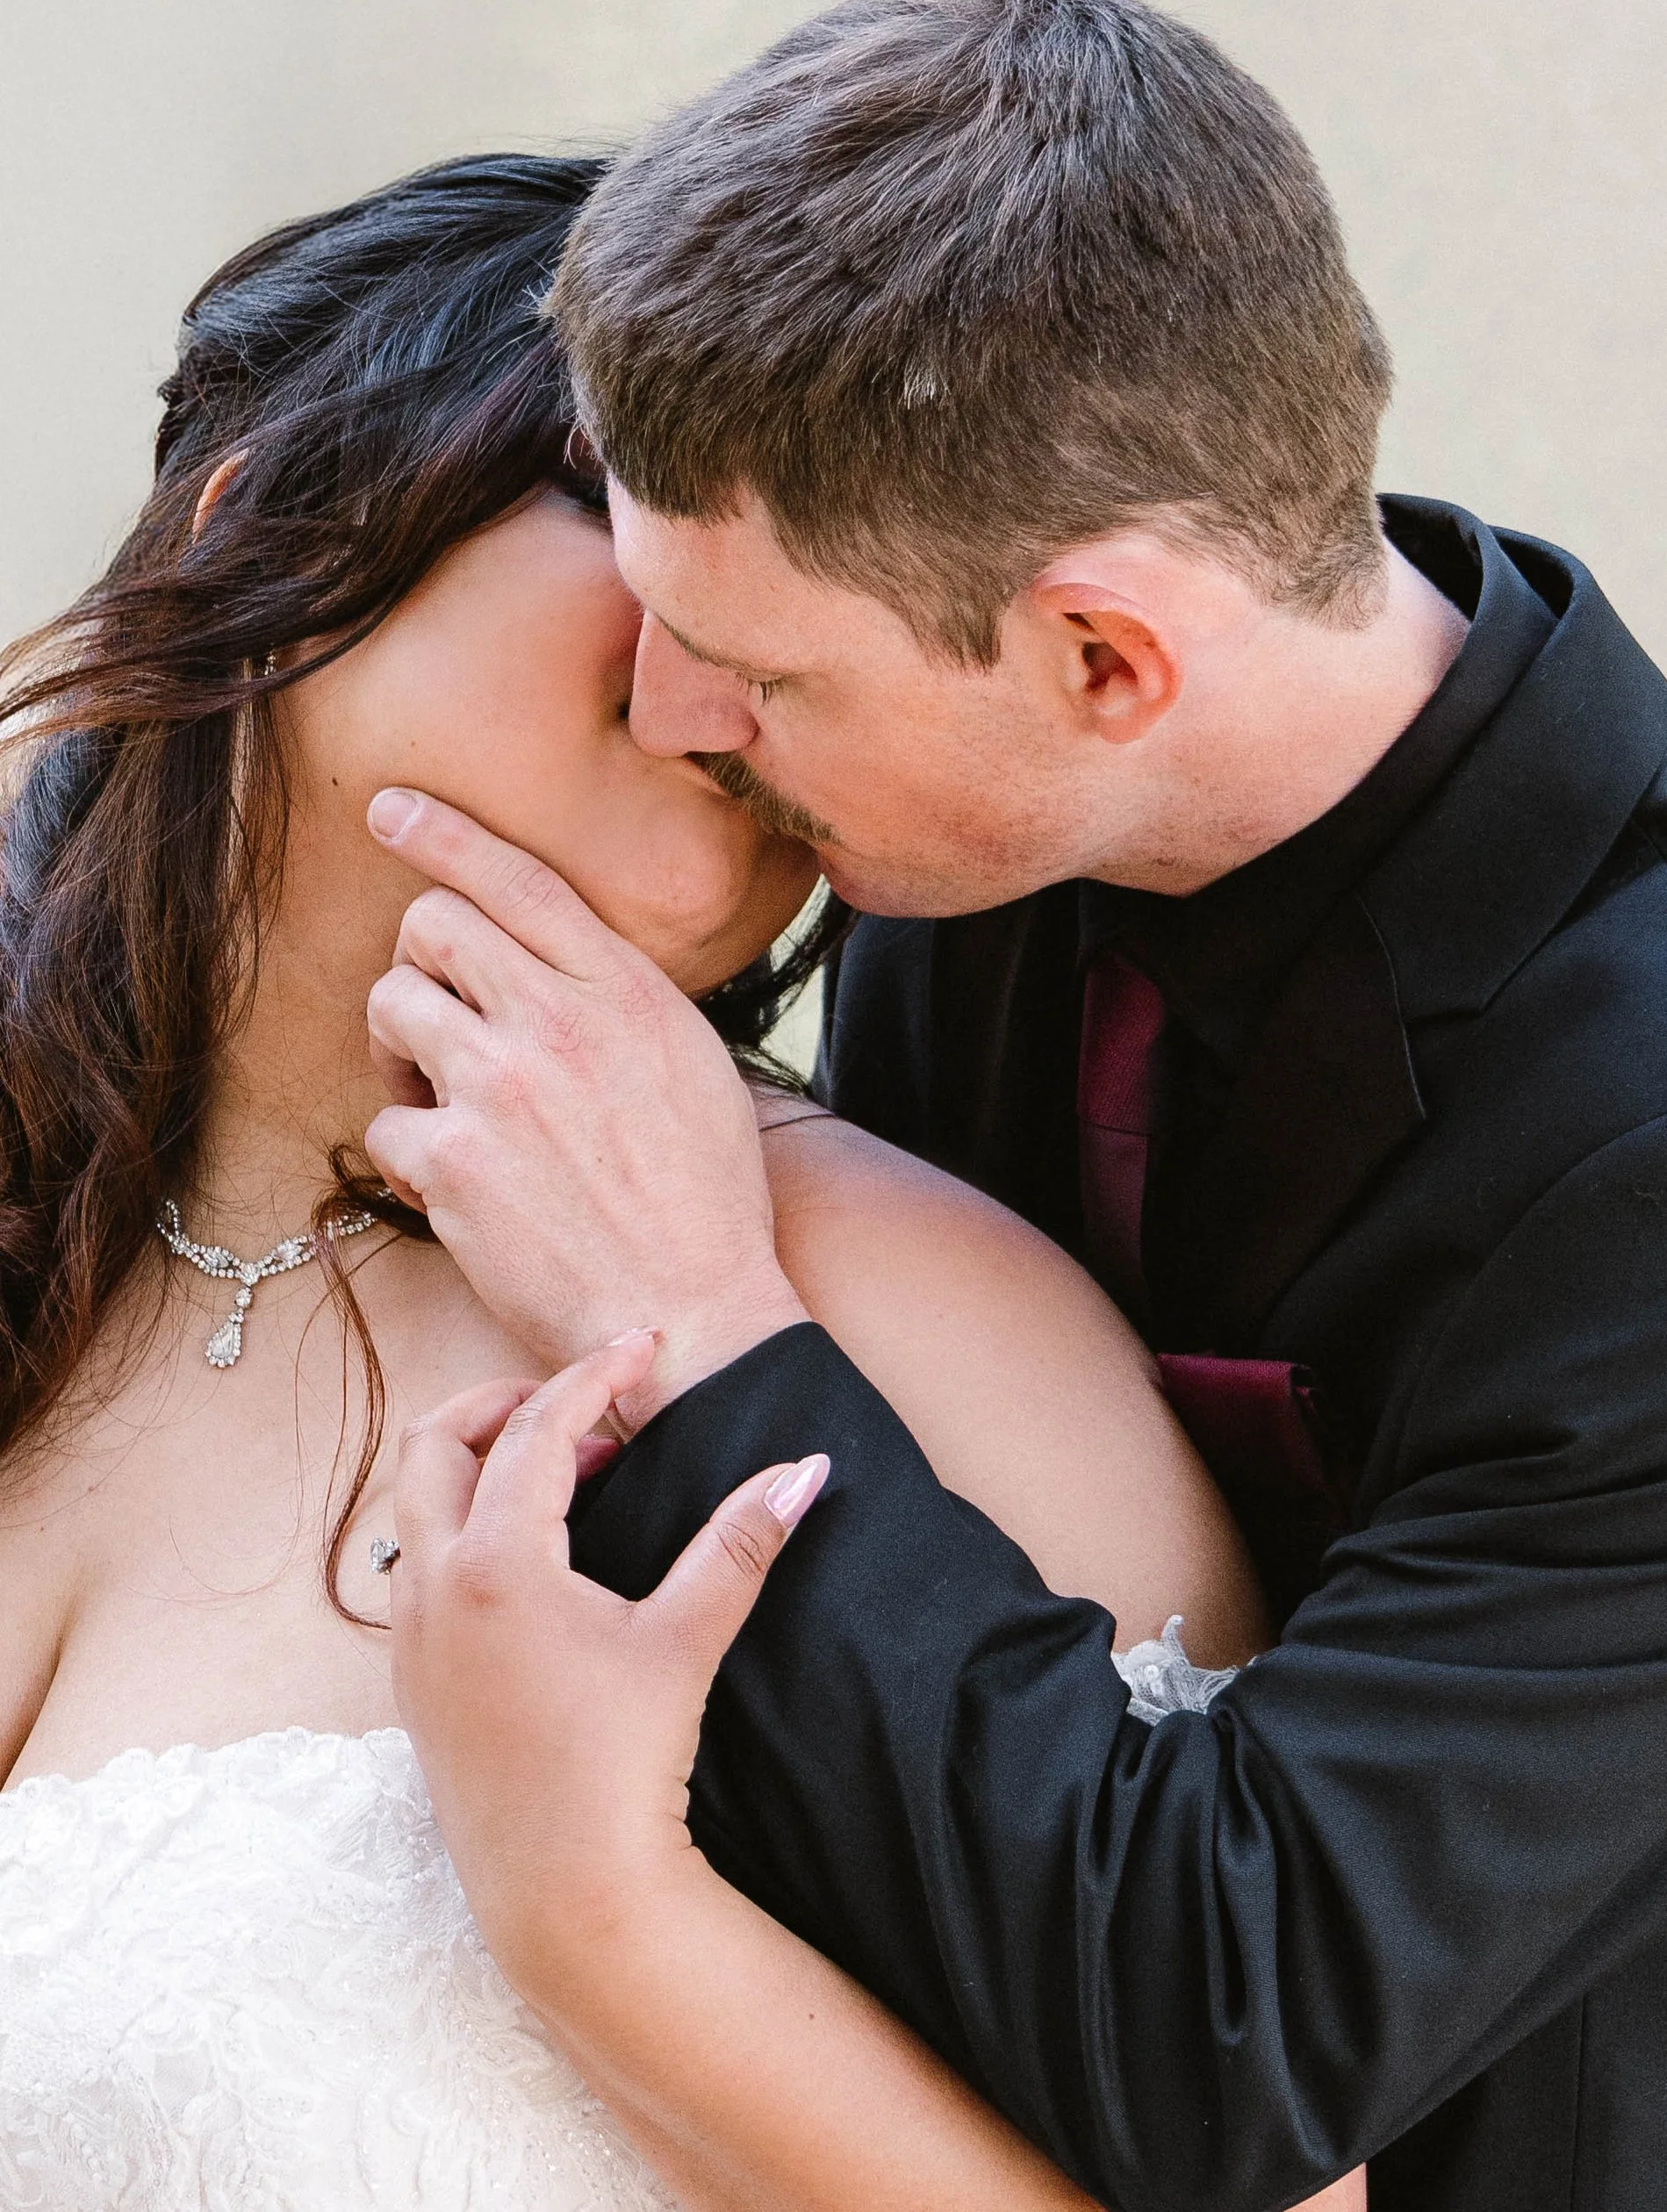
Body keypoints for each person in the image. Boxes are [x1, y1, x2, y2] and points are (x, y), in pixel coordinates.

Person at [363, 0, 1667, 2212]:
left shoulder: (1634, 1144)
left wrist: (704, 1341)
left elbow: (1237, 2030)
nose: (669, 715)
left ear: (1102, 655)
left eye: (753, 668)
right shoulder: (972, 837)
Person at [0, 155, 1361, 2210]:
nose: (726, 608)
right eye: (639, 488)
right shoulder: (50, 1226)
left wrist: (594, 1906)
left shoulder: (876, 1315)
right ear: (268, 503)